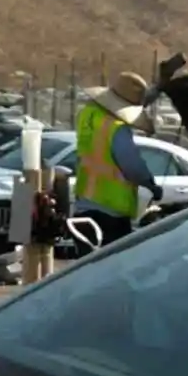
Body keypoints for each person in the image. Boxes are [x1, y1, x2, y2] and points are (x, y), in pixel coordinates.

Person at [74, 71, 162, 247]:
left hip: (84, 203)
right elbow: (132, 167)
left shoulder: (88, 115)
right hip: (111, 212)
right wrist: (151, 185)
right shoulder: (116, 128)